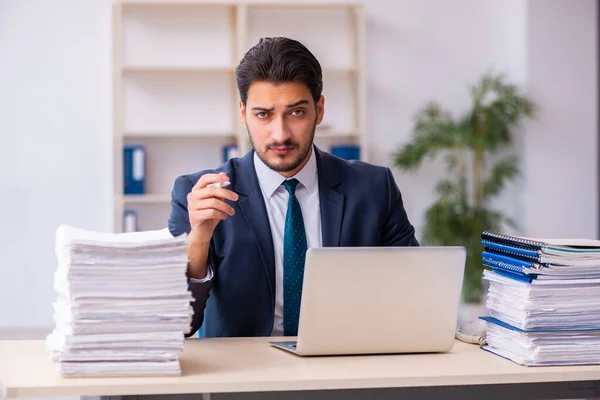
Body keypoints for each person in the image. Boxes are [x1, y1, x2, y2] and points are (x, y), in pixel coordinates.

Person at [168, 37, 419, 339]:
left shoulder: (375, 189)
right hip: (243, 376)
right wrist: (199, 239)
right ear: (243, 113)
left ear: (319, 109)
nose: (281, 134)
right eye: (263, 115)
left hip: (346, 368)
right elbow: (178, 326)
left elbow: (412, 301)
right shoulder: (197, 195)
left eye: (296, 112)